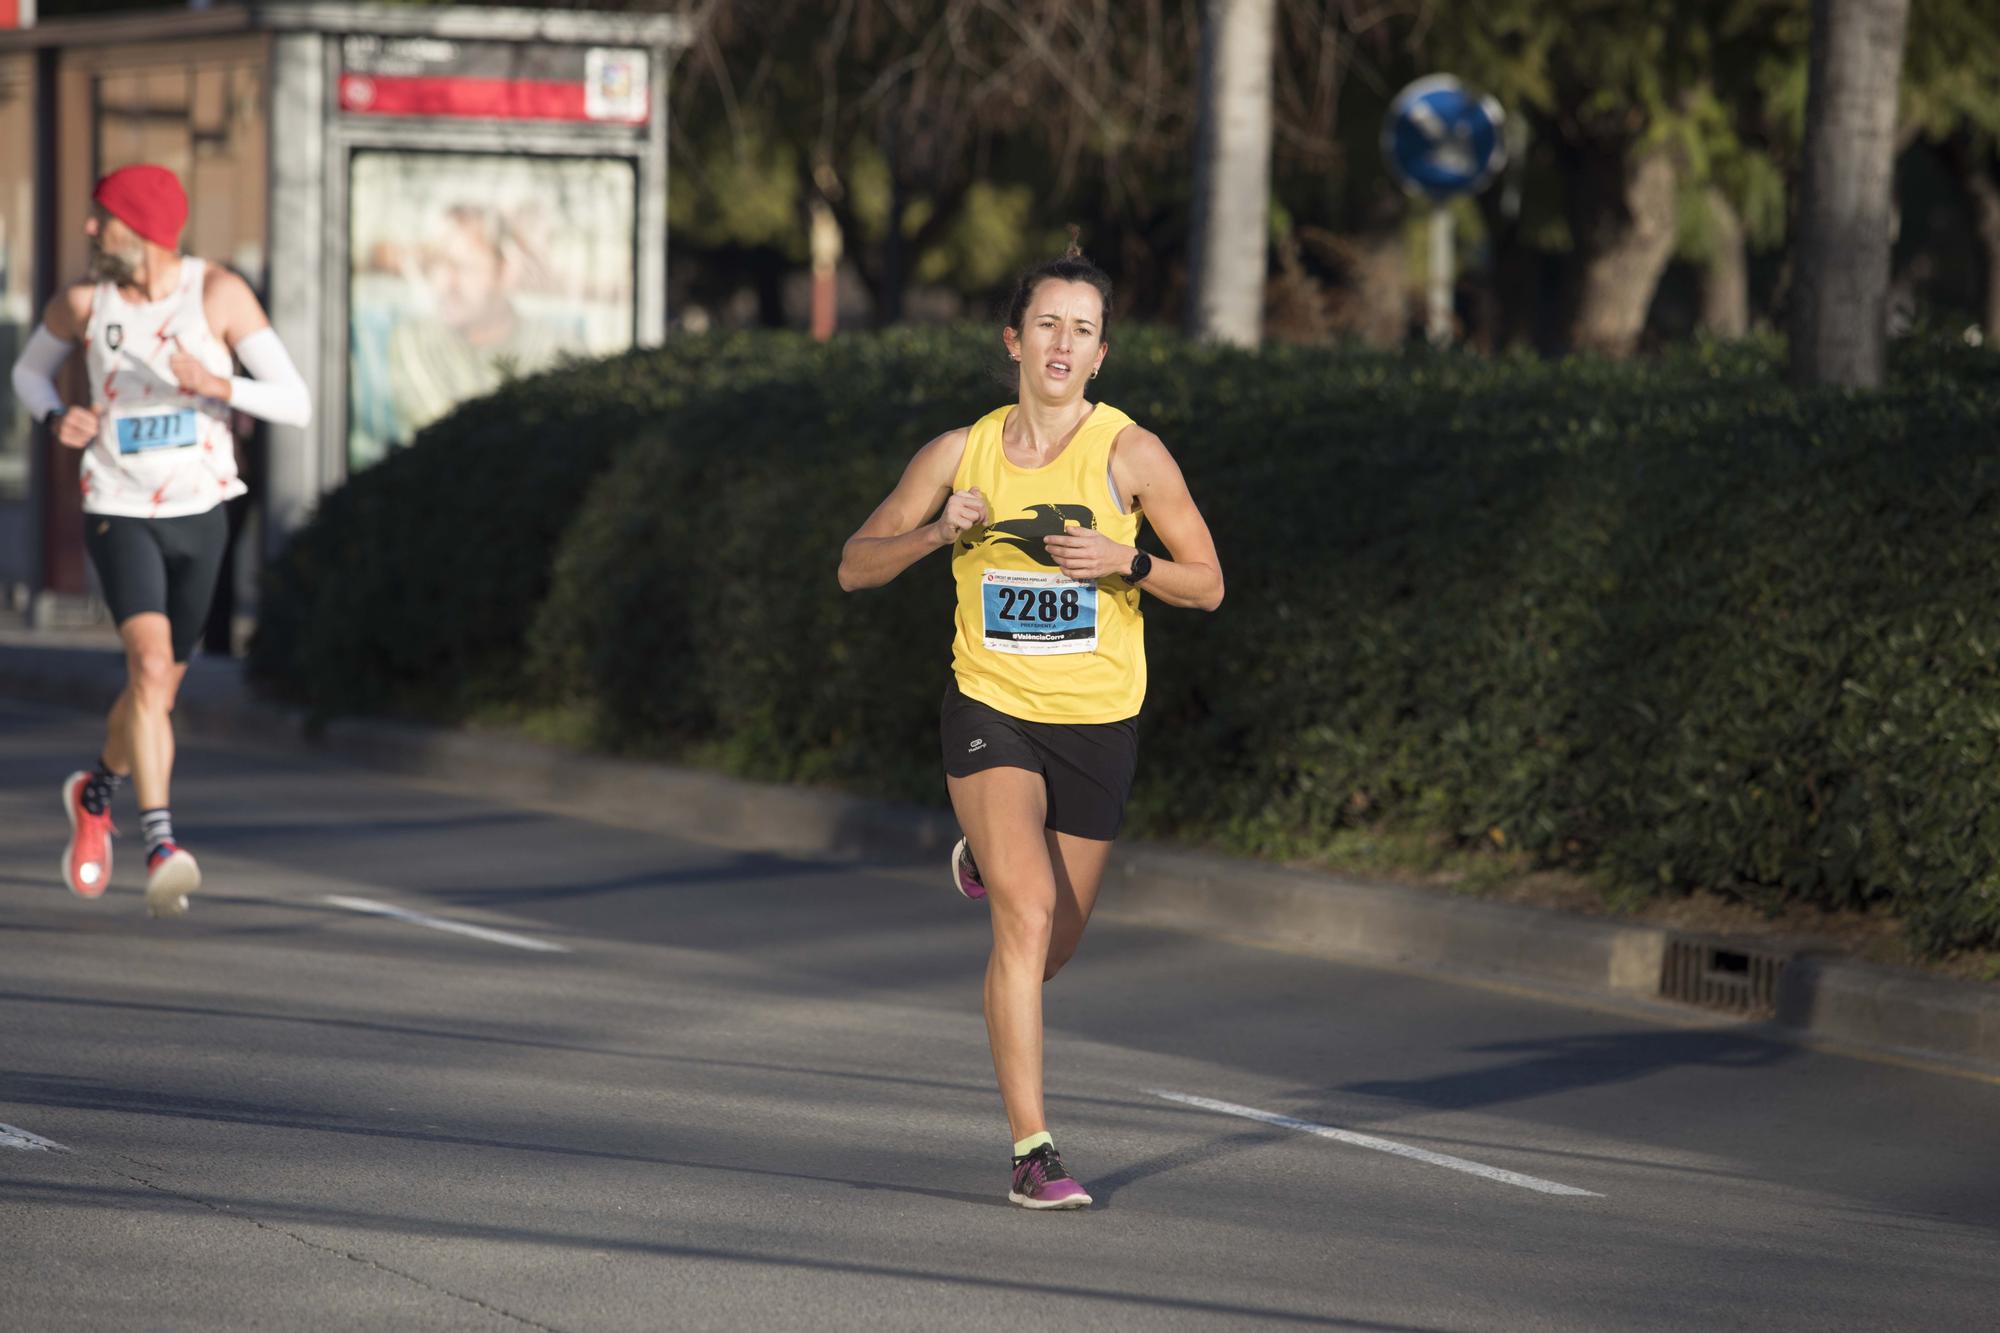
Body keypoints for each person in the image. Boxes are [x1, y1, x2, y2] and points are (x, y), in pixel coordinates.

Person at [837, 243, 1224, 1209]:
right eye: (1046, 323)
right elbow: (853, 563)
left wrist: (1124, 562)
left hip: (1098, 722)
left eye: (1082, 330)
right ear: (1013, 340)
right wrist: (938, 533)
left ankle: (982, 862)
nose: (1062, 342)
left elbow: (1209, 584)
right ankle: (1032, 1151)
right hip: (991, 708)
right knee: (1027, 911)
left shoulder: (1132, 453)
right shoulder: (956, 454)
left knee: (1052, 945)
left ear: (1101, 356)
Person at [8, 163, 312, 917]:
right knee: (145, 666)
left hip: (200, 511)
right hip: (115, 505)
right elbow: (26, 374)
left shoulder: (218, 294)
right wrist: (56, 418)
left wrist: (218, 385)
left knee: (159, 691)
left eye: (102, 219)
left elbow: (296, 402)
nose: (89, 230)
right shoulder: (84, 302)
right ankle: (162, 844)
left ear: (143, 227)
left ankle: (94, 793)